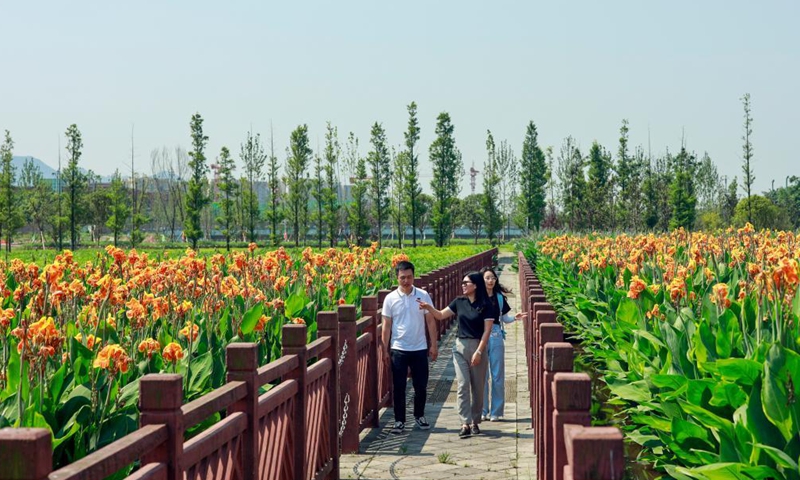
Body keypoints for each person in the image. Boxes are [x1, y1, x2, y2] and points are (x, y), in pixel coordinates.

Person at [418, 271, 494, 438]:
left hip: (478, 347)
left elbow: (487, 331)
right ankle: (465, 422)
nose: (463, 285)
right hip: (460, 346)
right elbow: (439, 315)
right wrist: (428, 307)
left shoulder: (486, 304)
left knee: (478, 387)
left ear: (475, 285)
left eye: (466, 283)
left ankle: (475, 421)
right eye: (462, 282)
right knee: (463, 384)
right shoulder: (459, 302)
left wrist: (479, 351)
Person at [381, 260, 439, 434]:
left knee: (420, 385)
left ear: (414, 276)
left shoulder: (422, 295)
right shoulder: (390, 298)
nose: (406, 281)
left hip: (419, 347)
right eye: (402, 278)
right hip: (398, 348)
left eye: (409, 277)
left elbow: (430, 320)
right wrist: (385, 349)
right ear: (397, 277)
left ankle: (419, 415)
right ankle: (399, 420)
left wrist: (434, 345)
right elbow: (386, 325)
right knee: (398, 386)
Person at [480, 267, 526, 421]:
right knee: (481, 375)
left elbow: (504, 319)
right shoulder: (477, 297)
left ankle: (496, 412)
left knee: (497, 375)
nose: (490, 281)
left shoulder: (499, 298)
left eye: (492, 278)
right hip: (479, 336)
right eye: (487, 278)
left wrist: (515, 317)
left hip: (496, 335)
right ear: (482, 280)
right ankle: (482, 410)